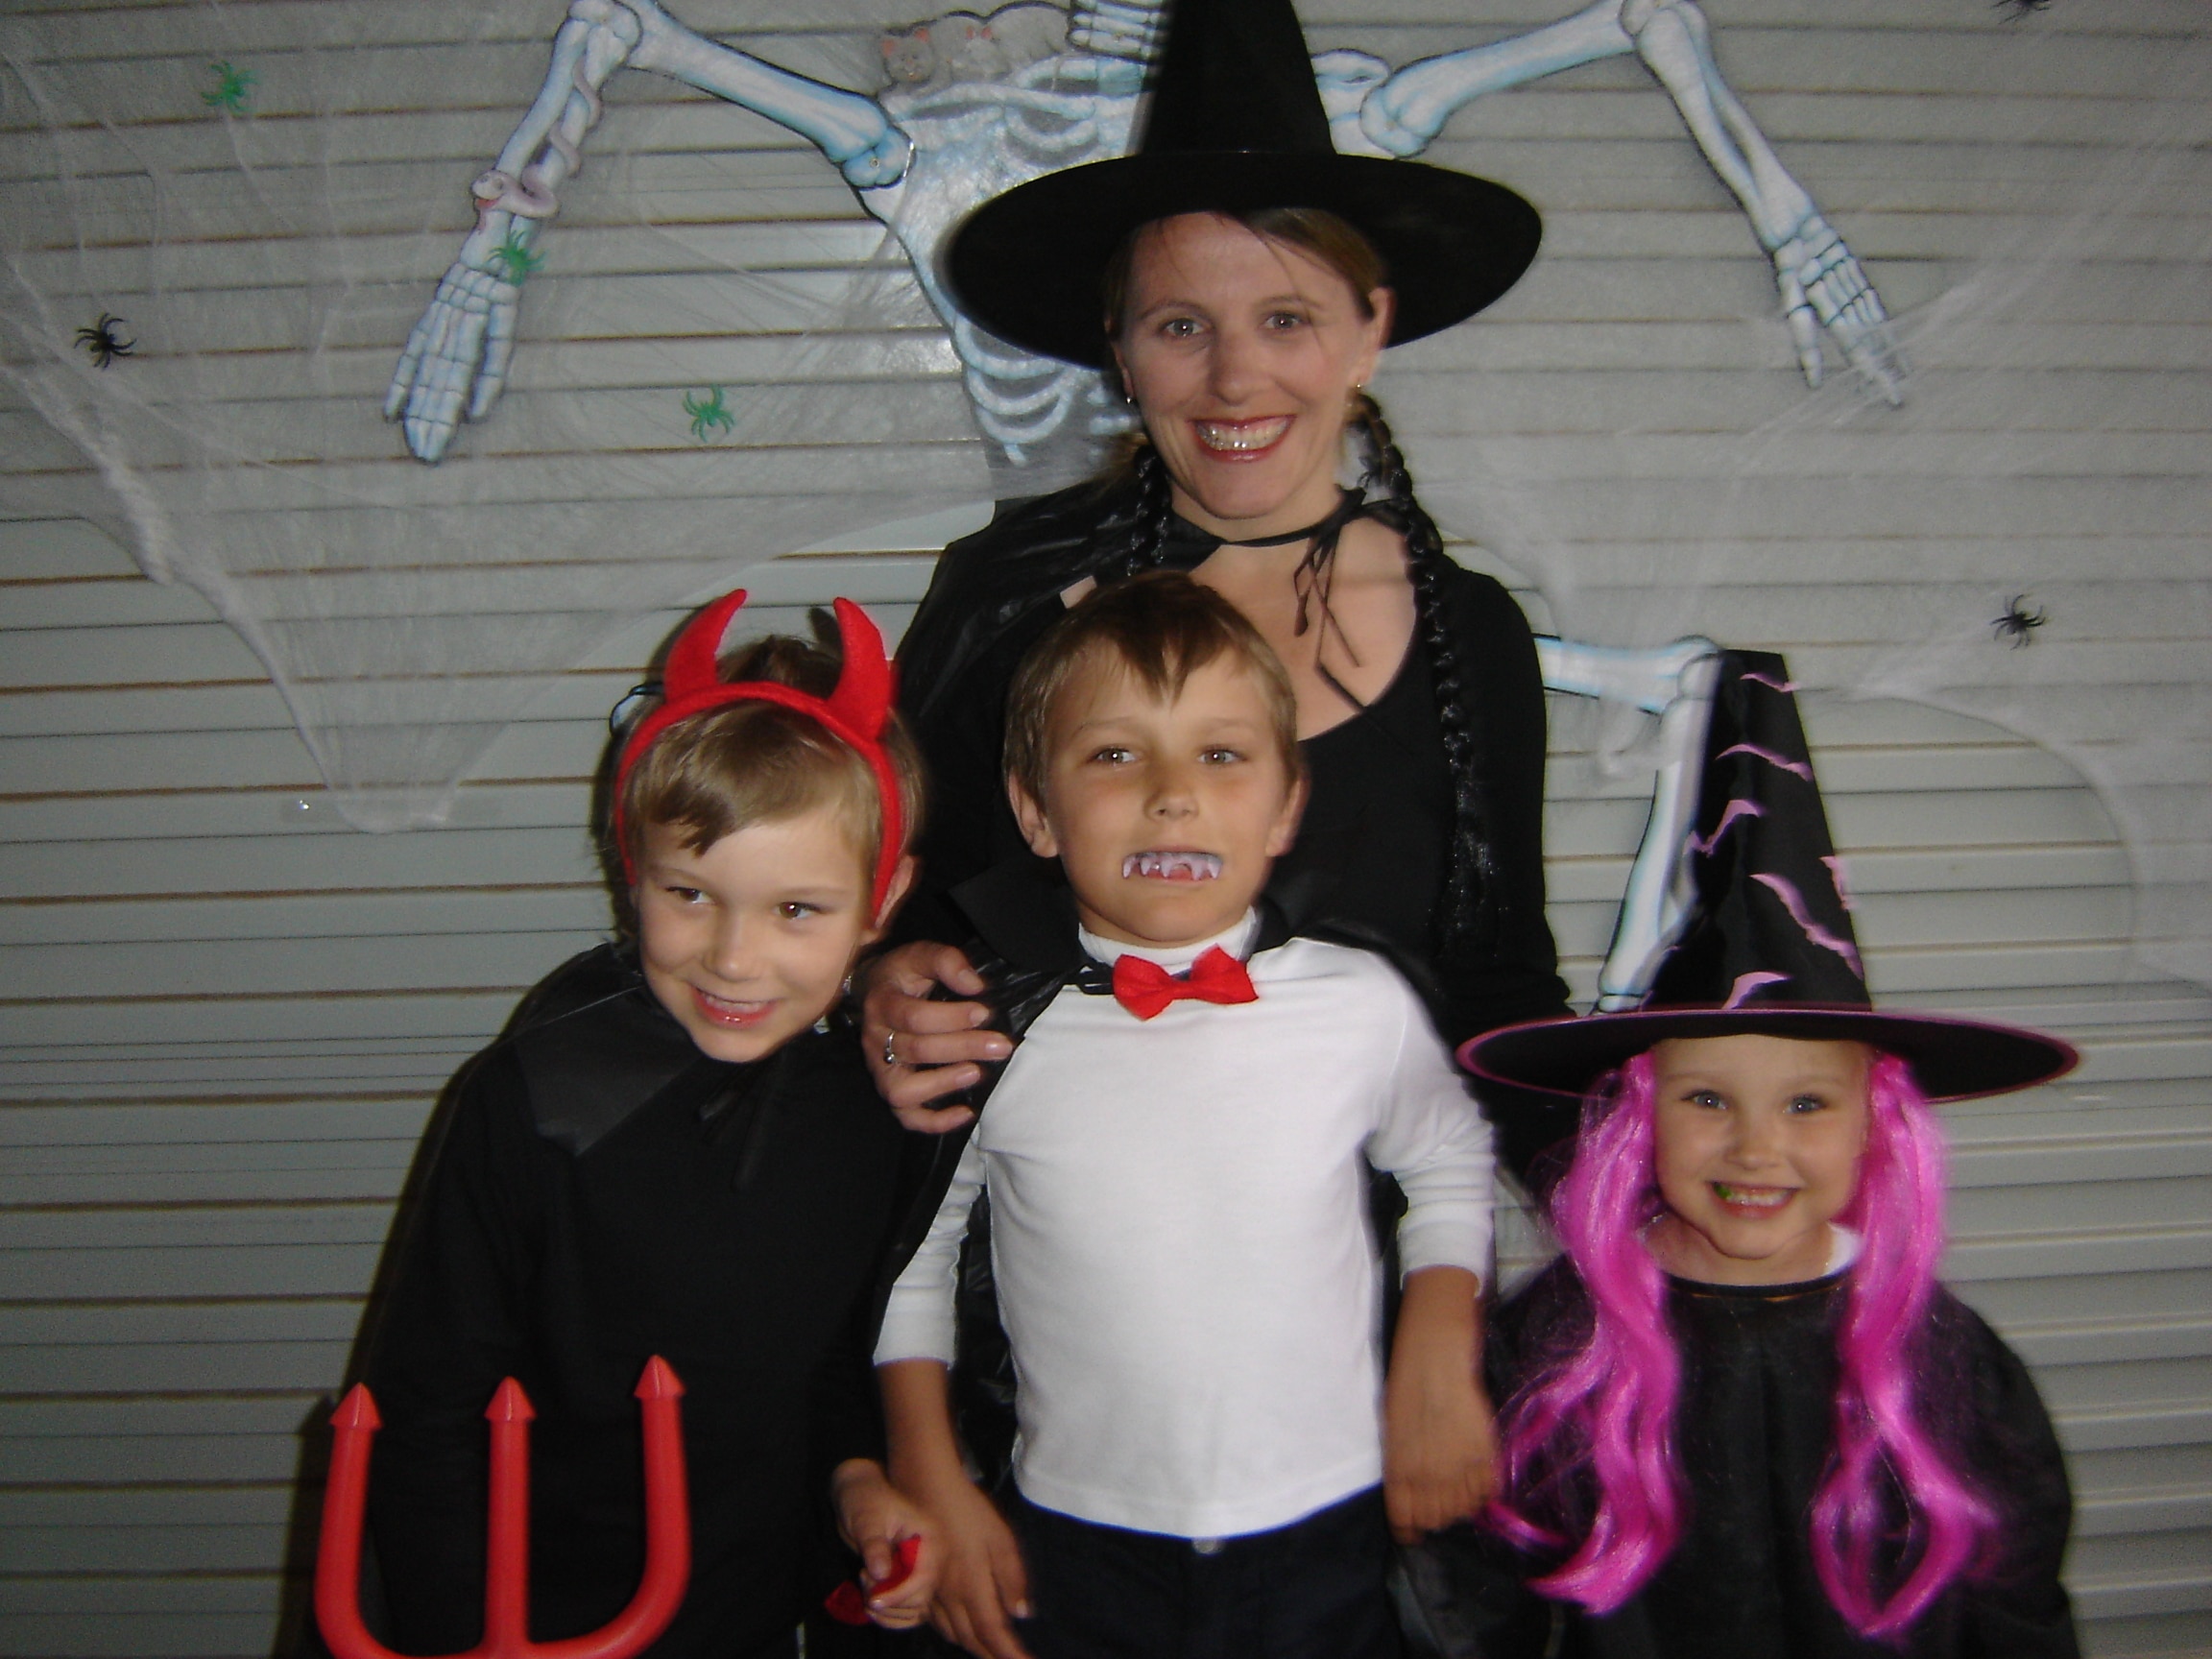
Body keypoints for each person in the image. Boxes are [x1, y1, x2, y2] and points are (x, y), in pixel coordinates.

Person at [860, 0, 1575, 1184]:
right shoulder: (1013, 598)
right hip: (1056, 1235)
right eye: (1182, 325)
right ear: (1121, 349)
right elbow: (905, 902)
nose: (1235, 379)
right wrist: (883, 984)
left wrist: (1619, 1222)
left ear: (1368, 332)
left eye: (1286, 319)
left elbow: (1500, 988)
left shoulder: (1468, 633)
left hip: (1356, 1261)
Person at [873, 573, 1500, 1659]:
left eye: (1221, 754)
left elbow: (1448, 1160)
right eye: (1116, 754)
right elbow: (911, 1259)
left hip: (1333, 1528)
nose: (1172, 795)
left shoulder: (1360, 1002)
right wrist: (931, 1470)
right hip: (1074, 1541)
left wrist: (1440, 1349)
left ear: (1286, 805)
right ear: (1036, 810)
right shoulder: (985, 1025)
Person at [1412, 656, 2083, 1659]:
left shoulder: (1944, 1362)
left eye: (1807, 1103)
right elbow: (1471, 1595)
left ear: (1874, 1123)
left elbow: (2017, 1596)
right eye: (1707, 1099)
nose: (1757, 1147)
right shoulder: (1555, 1347)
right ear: (1641, 1117)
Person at [353, 591, 940, 1657]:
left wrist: (858, 1484)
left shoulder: (868, 1109)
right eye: (690, 894)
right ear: (633, 867)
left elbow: (824, 1369)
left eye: (796, 909)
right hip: (532, 1616)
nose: (734, 958)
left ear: (883, 898)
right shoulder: (541, 1101)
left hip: (745, 1614)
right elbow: (426, 1407)